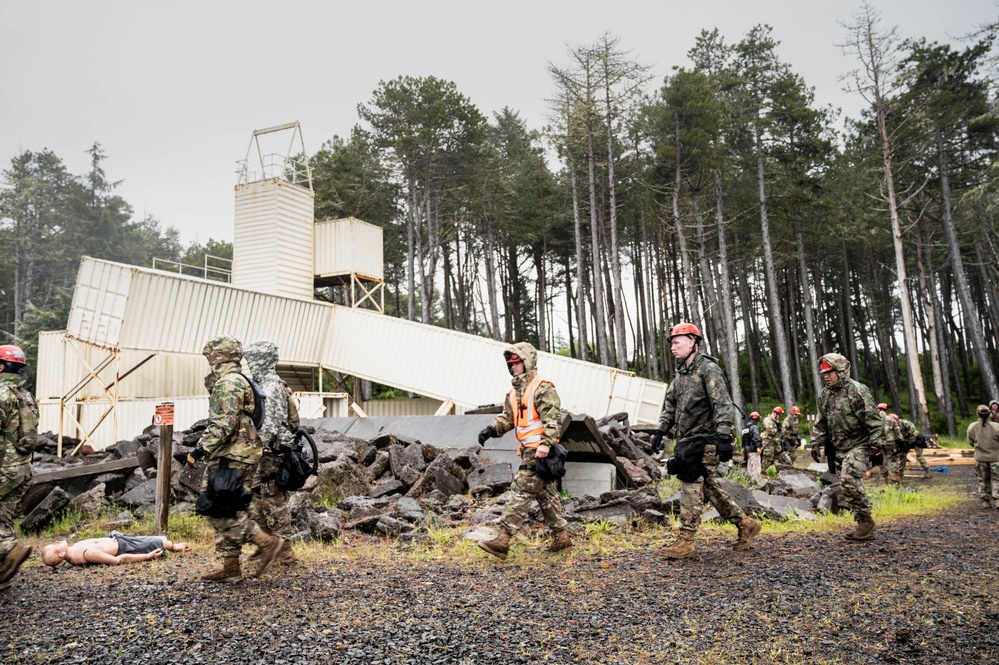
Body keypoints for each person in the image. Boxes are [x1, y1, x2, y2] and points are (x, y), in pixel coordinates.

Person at [651, 323, 760, 559]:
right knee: (709, 488)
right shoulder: (681, 374)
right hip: (687, 440)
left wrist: (724, 435)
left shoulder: (708, 369)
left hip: (706, 440)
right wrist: (660, 431)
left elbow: (722, 403)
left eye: (677, 342)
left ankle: (686, 540)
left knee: (691, 484)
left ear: (692, 342)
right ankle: (745, 523)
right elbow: (670, 406)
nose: (672, 347)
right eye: (671, 342)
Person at [187, 336, 283, 583]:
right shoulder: (239, 380)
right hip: (242, 452)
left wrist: (199, 450)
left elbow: (224, 421)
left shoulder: (228, 383)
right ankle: (231, 567)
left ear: (217, 357)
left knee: (215, 508)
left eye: (210, 356)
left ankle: (266, 542)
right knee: (232, 504)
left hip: (231, 454)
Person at [477, 342, 572, 560]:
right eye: (510, 364)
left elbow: (553, 418)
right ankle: (562, 537)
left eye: (517, 363)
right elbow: (508, 419)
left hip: (539, 450)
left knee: (520, 491)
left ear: (527, 362)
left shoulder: (542, 387)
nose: (513, 367)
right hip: (529, 450)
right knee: (545, 494)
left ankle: (503, 539)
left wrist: (546, 444)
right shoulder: (513, 393)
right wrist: (491, 429)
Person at [810, 353, 885, 541]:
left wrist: (877, 446)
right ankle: (863, 523)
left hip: (860, 444)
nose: (826, 376)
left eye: (830, 372)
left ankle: (866, 522)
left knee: (848, 477)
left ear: (841, 371)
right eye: (823, 373)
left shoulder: (858, 391)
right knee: (846, 485)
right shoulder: (824, 395)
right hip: (839, 447)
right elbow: (821, 422)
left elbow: (874, 420)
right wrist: (816, 443)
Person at [244, 339, 300, 566]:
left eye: (251, 360)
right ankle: (267, 544)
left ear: (260, 360)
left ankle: (285, 552)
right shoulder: (262, 385)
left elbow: (268, 426)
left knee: (273, 500)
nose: (248, 364)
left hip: (270, 454)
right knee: (255, 499)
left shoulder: (271, 387)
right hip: (262, 452)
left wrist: (250, 451)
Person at [0, 345, 38, 589]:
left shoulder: (2, 393)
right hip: (23, 469)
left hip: (3, 469)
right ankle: (3, 574)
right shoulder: (26, 396)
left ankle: (9, 548)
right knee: (3, 518)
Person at [41, 532, 191, 567]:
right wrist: (147, 556)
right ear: (60, 554)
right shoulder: (86, 554)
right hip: (125, 547)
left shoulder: (73, 550)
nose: (56, 541)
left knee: (160, 538)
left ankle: (170, 544)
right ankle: (175, 547)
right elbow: (118, 560)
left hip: (118, 539)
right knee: (161, 542)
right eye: (54, 545)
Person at [967, 404, 999, 509]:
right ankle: (998, 499)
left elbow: (970, 441)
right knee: (997, 479)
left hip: (980, 457)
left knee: (983, 479)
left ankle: (985, 501)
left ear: (977, 414)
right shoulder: (996, 426)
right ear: (989, 413)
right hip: (996, 457)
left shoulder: (972, 426)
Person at [875, 403, 901, 483]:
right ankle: (895, 475)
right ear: (886, 410)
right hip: (890, 441)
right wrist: (900, 441)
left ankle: (884, 477)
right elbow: (897, 432)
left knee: (882, 458)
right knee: (894, 457)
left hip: (879, 442)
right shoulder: (891, 419)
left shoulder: (874, 419)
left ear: (878, 409)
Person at [760, 406, 790, 472]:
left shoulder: (775, 421)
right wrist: (778, 429)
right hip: (768, 443)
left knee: (784, 458)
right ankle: (763, 474)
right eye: (779, 415)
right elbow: (770, 431)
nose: (779, 417)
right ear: (775, 414)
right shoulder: (767, 420)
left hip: (776, 443)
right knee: (768, 459)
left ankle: (789, 471)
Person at [742, 412, 762, 479]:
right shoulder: (754, 427)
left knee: (749, 465)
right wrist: (758, 447)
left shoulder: (746, 426)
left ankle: (749, 480)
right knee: (756, 465)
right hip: (753, 449)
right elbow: (756, 437)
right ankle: (756, 481)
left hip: (747, 450)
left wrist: (743, 447)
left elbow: (743, 438)